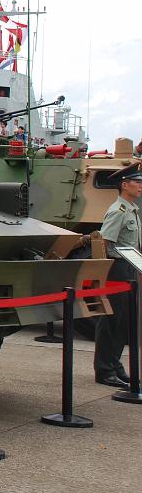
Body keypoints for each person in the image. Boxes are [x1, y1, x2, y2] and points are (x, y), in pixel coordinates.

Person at [94, 164, 142, 387]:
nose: (140, 186)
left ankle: (115, 365)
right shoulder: (118, 211)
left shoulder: (131, 209)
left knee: (123, 321)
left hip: (128, 268)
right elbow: (105, 243)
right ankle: (105, 370)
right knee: (112, 320)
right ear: (124, 185)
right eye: (137, 182)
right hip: (116, 269)